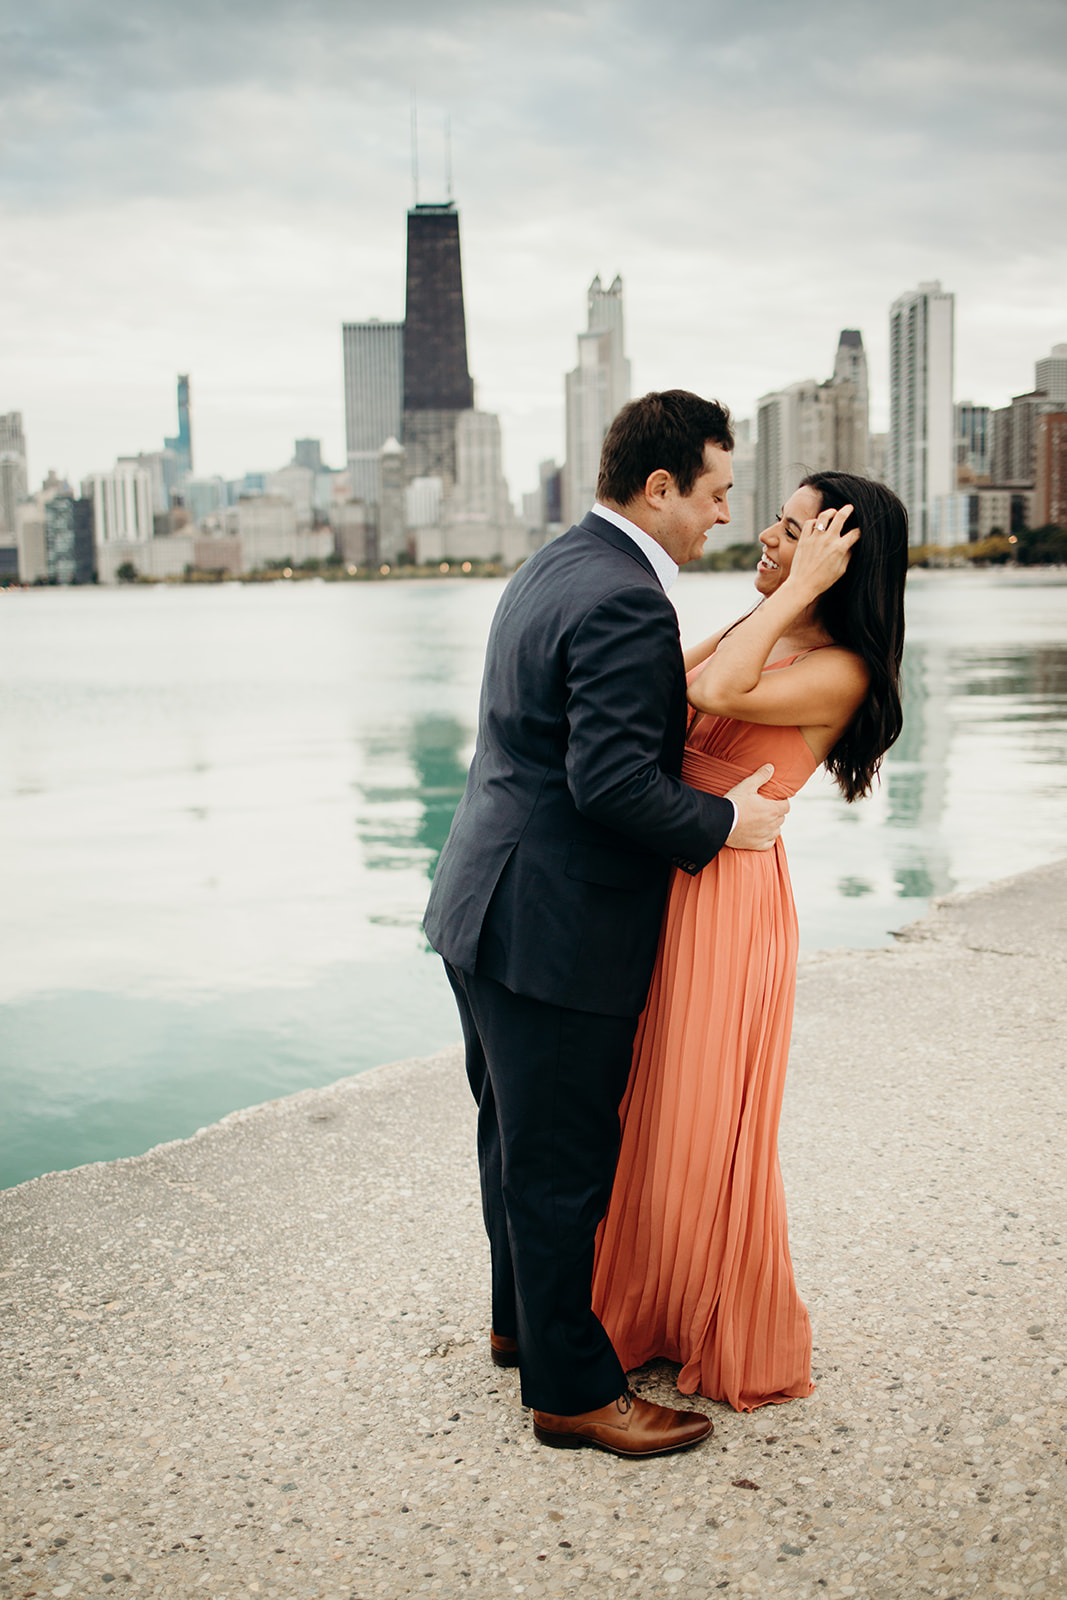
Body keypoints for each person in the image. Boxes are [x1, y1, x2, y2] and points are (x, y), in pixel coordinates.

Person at [424, 391, 789, 1458]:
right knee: (561, 1162)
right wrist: (729, 820)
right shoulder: (628, 598)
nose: (724, 514)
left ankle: (521, 1326)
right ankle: (573, 1393)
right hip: (552, 929)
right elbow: (610, 782)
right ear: (661, 485)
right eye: (717, 493)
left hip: (480, 906)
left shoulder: (556, 563)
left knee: (512, 1141)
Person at [592, 471, 908, 1412]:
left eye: (792, 530)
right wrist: (778, 601)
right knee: (642, 1105)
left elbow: (721, 688)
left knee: (697, 1111)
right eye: (776, 521)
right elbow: (669, 688)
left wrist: (797, 591)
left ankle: (708, 1317)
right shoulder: (762, 625)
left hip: (726, 899)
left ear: (837, 559)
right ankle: (642, 1309)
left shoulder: (842, 668)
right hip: (679, 872)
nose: (766, 537)